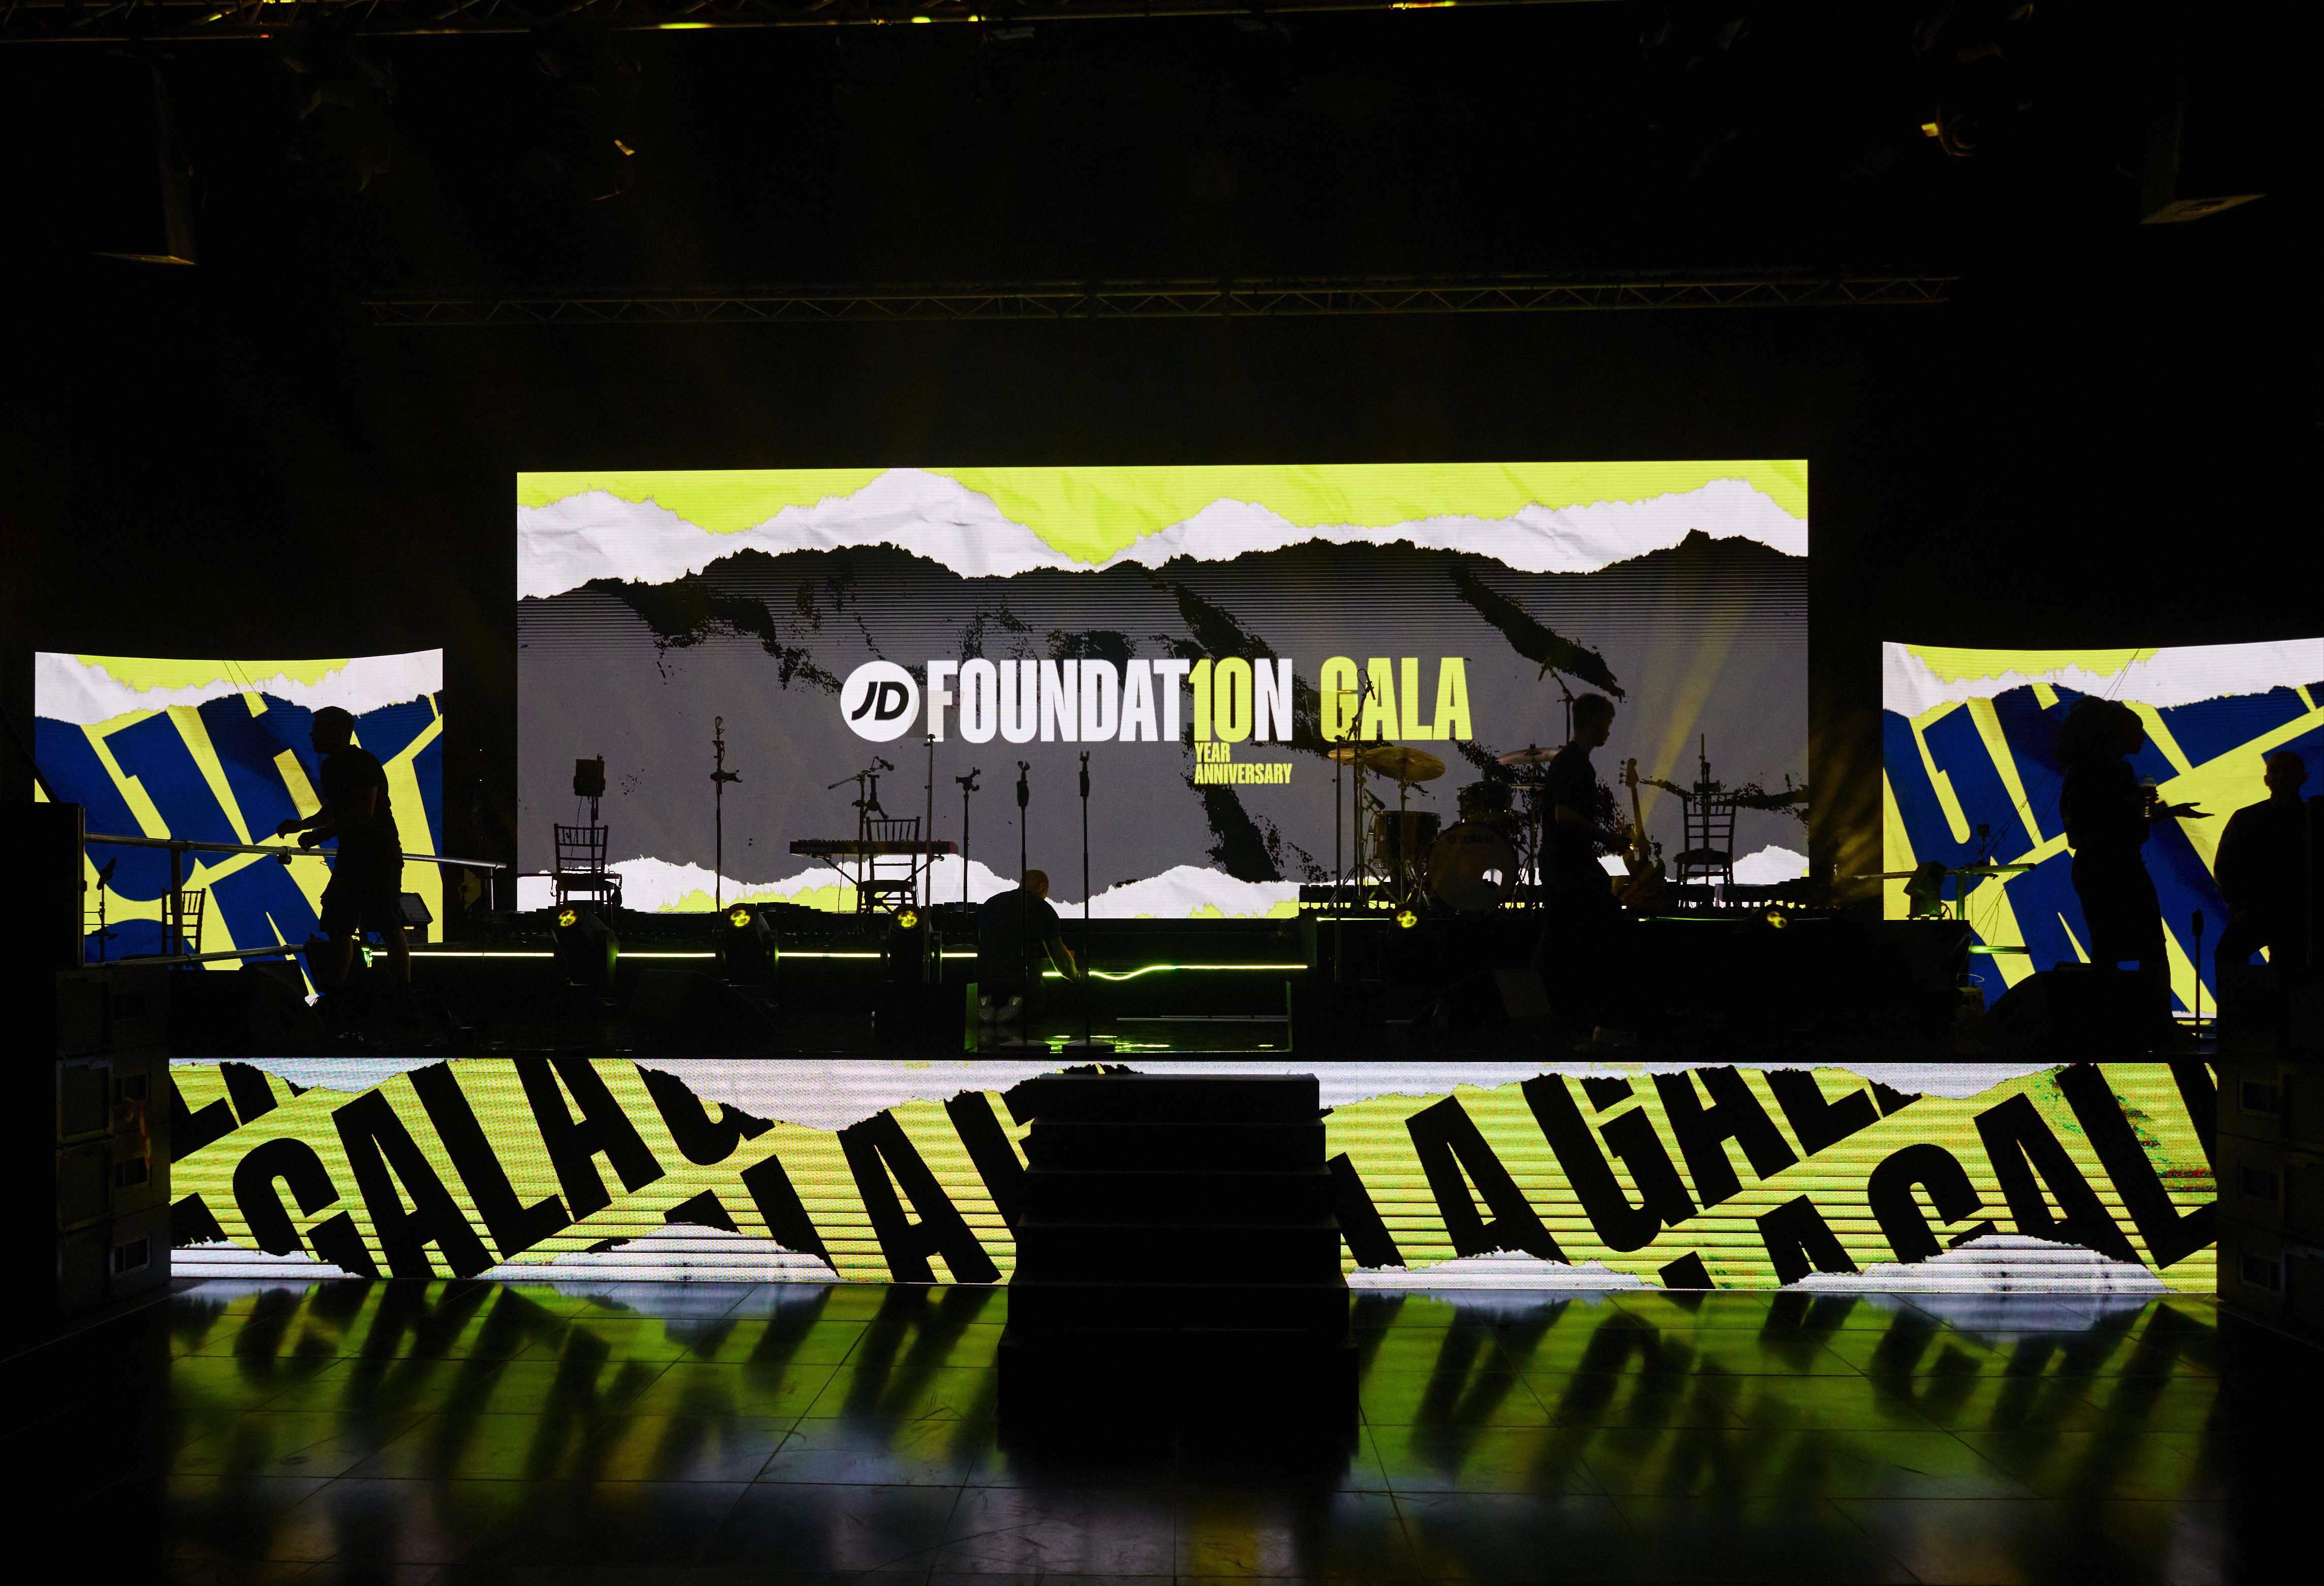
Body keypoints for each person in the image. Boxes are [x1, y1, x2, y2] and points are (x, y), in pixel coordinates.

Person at [2056, 698, 2204, 1020]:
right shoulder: (2100, 773)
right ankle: (2152, 1021)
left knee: (2114, 949)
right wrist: (2133, 802)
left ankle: (2119, 1021)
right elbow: (2091, 827)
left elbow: (2119, 822)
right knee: (2145, 948)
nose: (2143, 738)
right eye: (2137, 730)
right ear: (2115, 734)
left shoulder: (2095, 772)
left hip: (2106, 868)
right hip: (2112, 869)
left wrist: (2164, 812)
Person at [278, 706, 409, 990]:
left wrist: (318, 834)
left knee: (370, 925)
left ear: (336, 732)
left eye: (318, 729)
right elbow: (339, 811)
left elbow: (362, 813)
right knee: (362, 924)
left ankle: (363, 993)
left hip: (376, 856)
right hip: (363, 855)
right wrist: (304, 826)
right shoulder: (340, 765)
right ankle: (368, 993)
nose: (312, 735)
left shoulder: (360, 764)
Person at [1531, 693, 1628, 1035]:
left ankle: (1549, 1013)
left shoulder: (1573, 762)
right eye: (1607, 723)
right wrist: (1608, 838)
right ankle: (1591, 1017)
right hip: (1569, 866)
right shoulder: (1574, 764)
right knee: (1592, 932)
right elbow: (1564, 815)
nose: (1609, 731)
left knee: (1559, 940)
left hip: (1566, 864)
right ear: (1593, 722)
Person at [2214, 750, 2311, 972]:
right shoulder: (2310, 818)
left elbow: (2225, 867)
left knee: (2229, 958)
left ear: (2302, 778)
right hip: (2272, 912)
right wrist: (2241, 908)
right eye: (2275, 771)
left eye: (2287, 770)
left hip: (2286, 913)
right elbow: (2225, 868)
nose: (2281, 776)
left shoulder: (2246, 818)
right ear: (2267, 779)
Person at [976, 869, 1083, 1031]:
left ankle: (985, 1003)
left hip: (986, 979)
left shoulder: (991, 903)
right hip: (1021, 981)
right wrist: (1075, 977)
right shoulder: (1044, 910)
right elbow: (1059, 956)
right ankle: (1017, 1005)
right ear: (1042, 887)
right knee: (1036, 992)